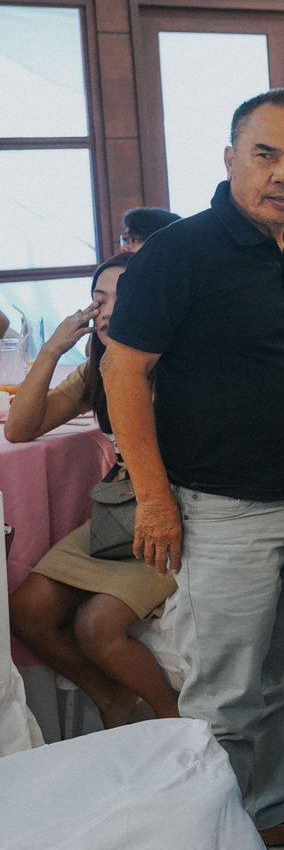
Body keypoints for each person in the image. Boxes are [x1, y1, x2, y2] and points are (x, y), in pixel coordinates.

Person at [102, 88, 284, 843]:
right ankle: (212, 848)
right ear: (229, 159)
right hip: (222, 515)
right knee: (224, 699)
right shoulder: (178, 253)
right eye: (266, 155)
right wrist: (155, 500)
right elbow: (123, 371)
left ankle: (267, 817)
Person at [6, 255, 180, 728]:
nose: (107, 313)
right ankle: (113, 698)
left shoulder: (181, 364)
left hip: (173, 513)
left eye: (124, 299)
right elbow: (20, 429)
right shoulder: (99, 369)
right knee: (25, 611)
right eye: (99, 301)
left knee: (96, 626)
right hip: (118, 516)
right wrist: (52, 349)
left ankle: (176, 720)